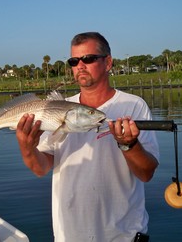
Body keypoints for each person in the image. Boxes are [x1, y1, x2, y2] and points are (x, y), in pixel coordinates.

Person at [16, 32, 159, 242]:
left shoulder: (134, 106)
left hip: (123, 235)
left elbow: (146, 173)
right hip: (69, 234)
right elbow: (41, 168)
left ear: (108, 62)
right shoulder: (54, 109)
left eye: (89, 59)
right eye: (74, 61)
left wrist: (129, 145)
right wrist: (27, 147)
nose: (80, 65)